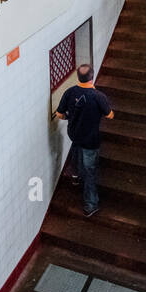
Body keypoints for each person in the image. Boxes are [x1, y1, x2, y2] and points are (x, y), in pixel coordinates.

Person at [54, 64, 113, 218]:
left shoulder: (70, 92)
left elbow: (60, 114)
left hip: (74, 134)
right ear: (92, 78)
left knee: (76, 151)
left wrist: (69, 116)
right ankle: (90, 204)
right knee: (90, 170)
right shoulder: (98, 96)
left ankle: (75, 175)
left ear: (78, 77)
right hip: (91, 139)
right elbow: (110, 115)